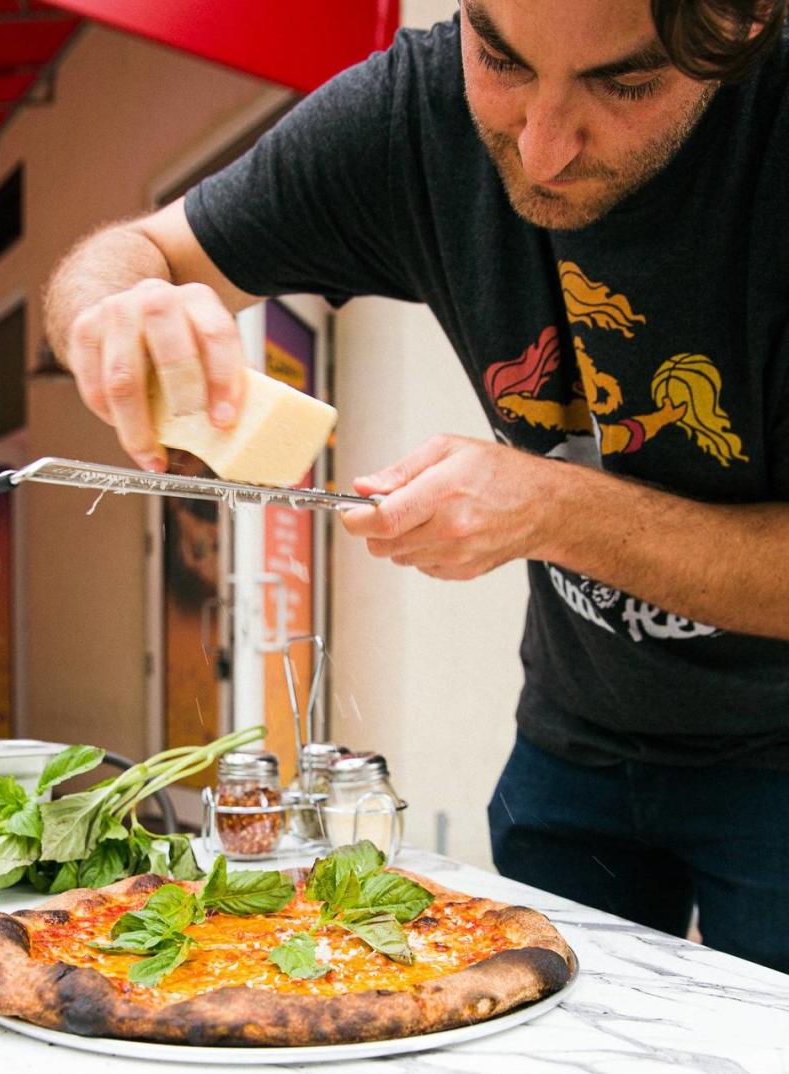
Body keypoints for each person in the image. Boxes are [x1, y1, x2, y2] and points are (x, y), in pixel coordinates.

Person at [45, 0, 789, 972]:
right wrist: (111, 319)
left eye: (626, 83)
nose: (542, 146)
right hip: (574, 739)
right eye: (502, 60)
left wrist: (550, 508)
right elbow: (123, 256)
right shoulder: (412, 113)